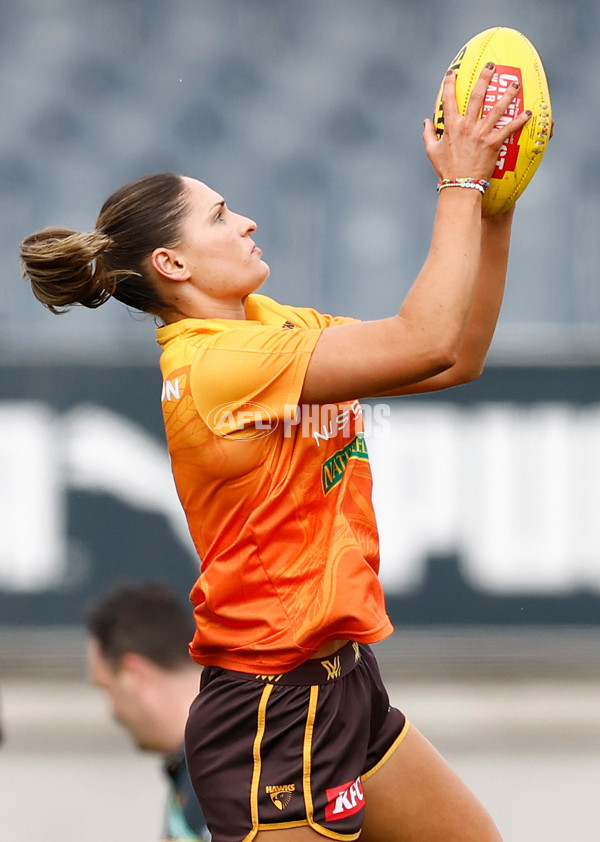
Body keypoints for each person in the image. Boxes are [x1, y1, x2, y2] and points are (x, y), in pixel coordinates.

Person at [21, 65, 533, 842]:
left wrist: (495, 207)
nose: (248, 222)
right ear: (173, 265)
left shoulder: (266, 324)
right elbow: (422, 339)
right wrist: (459, 186)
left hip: (344, 680)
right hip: (271, 707)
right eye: (221, 216)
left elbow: (452, 355)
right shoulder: (211, 363)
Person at [85, 582, 211, 841]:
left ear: (134, 675)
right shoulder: (199, 765)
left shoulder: (217, 772)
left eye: (106, 689)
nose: (113, 712)